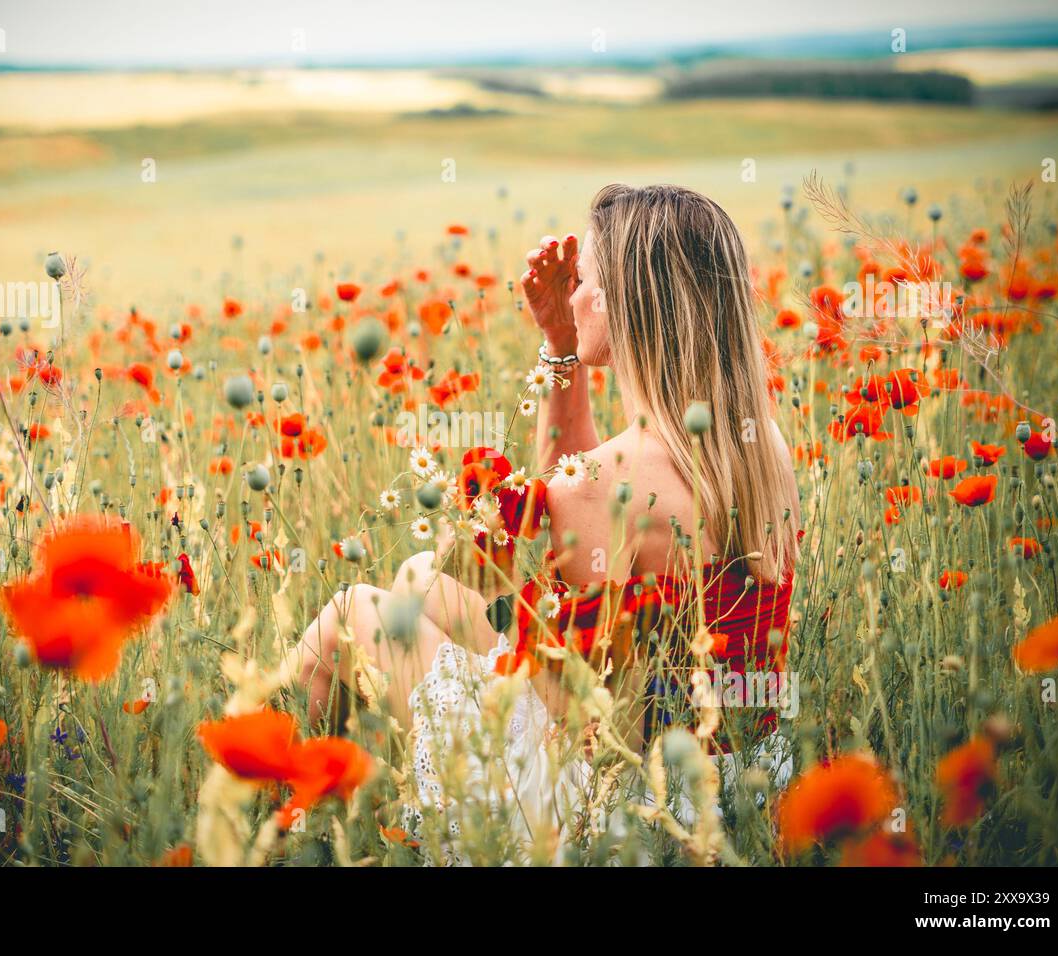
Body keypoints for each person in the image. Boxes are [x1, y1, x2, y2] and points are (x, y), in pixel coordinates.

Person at [295, 183, 802, 864]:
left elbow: (562, 702)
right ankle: (357, 800)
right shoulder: (755, 442)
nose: (570, 294)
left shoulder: (604, 484)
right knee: (417, 578)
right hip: (738, 771)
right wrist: (561, 346)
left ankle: (274, 814)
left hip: (616, 807)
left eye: (582, 281)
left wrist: (473, 531)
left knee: (350, 612)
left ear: (623, 302)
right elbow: (581, 509)